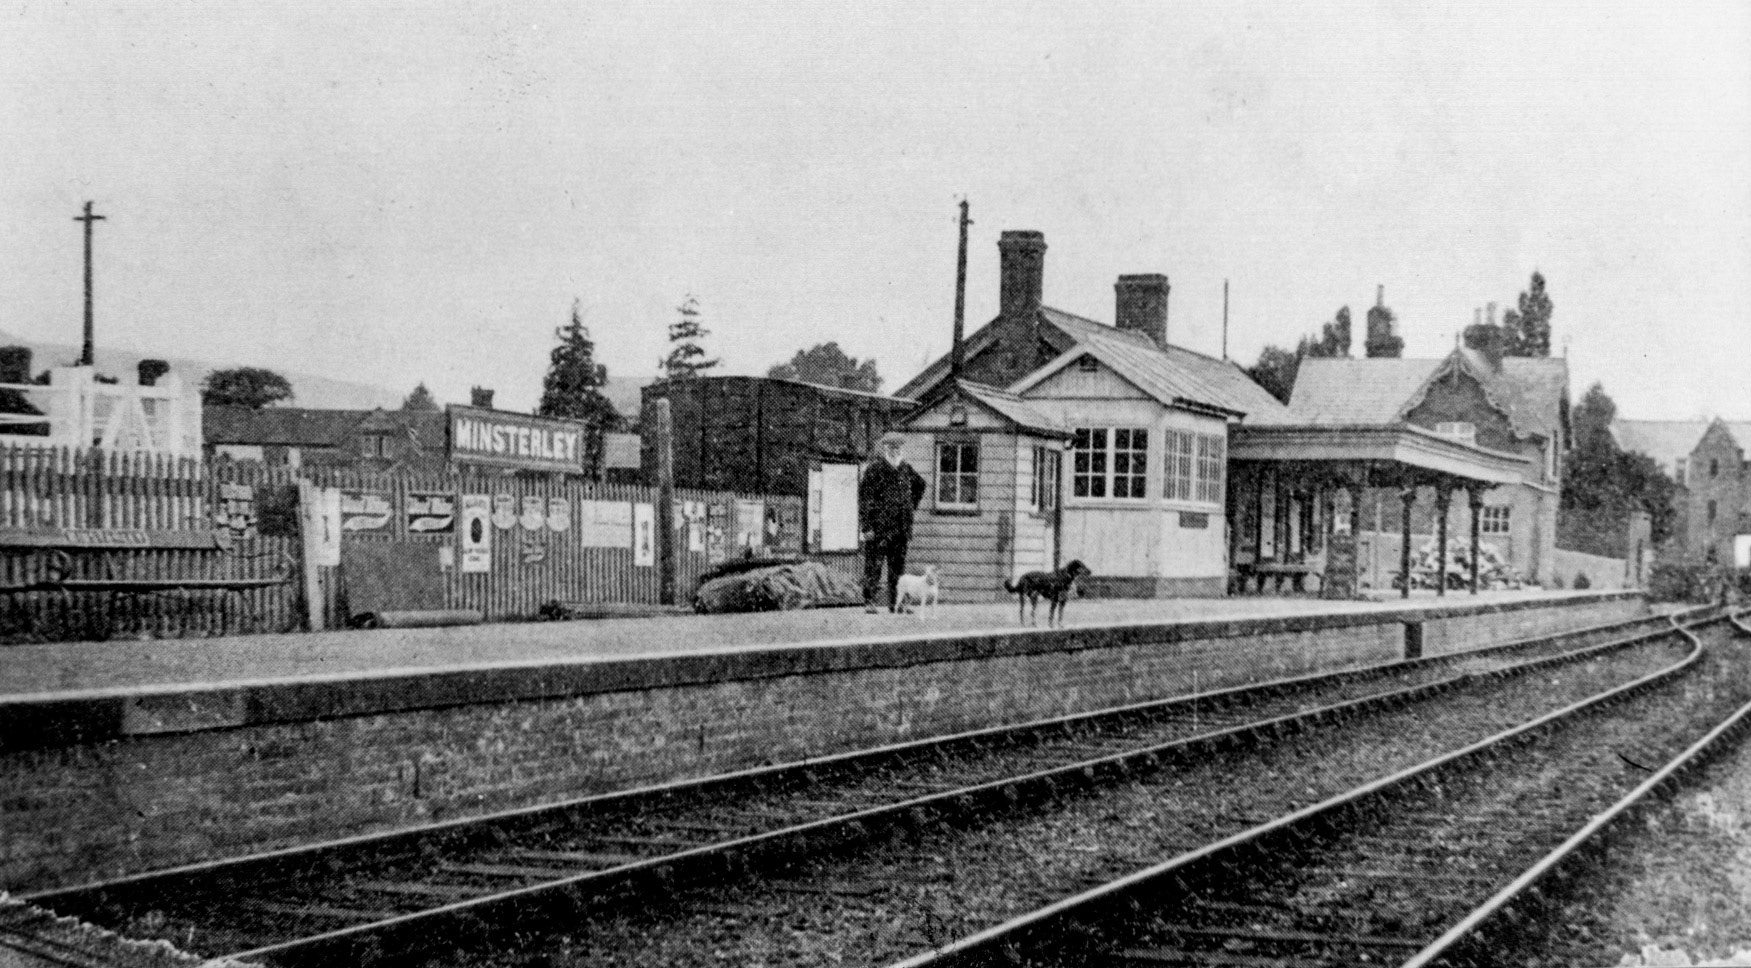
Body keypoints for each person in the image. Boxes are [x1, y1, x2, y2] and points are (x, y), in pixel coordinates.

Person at [859, 431, 925, 612]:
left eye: (898, 448)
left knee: (898, 570)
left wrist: (910, 508)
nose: (895, 451)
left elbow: (921, 485)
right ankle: (870, 602)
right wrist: (866, 526)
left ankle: (896, 604)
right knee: (874, 567)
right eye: (892, 447)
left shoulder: (905, 469)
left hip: (900, 529)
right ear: (885, 448)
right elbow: (864, 499)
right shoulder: (874, 470)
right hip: (879, 529)